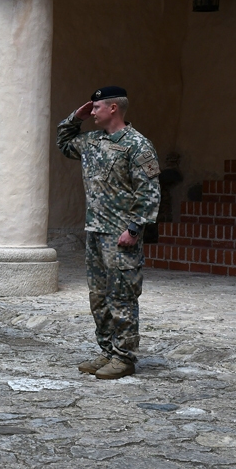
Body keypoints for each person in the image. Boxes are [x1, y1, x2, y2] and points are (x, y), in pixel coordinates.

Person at [57, 86, 161, 380]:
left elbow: (149, 192)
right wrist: (74, 118)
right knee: (99, 296)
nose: (92, 113)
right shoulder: (91, 141)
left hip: (120, 236)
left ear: (113, 108)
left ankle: (124, 357)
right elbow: (64, 144)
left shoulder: (137, 145)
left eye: (96, 108)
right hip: (95, 232)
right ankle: (107, 351)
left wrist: (134, 228)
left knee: (123, 296)